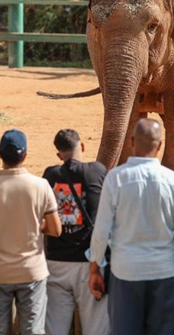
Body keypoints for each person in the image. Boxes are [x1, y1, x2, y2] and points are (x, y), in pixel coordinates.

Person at [88, 118, 174, 335]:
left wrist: (94, 269)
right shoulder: (173, 181)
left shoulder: (115, 179)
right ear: (160, 145)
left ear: (131, 142)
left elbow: (100, 232)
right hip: (163, 272)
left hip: (125, 272)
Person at [0, 129, 62, 335]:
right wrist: (38, 225)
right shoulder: (41, 186)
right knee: (33, 331)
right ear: (25, 155)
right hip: (32, 271)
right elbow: (56, 229)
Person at [41, 129, 109, 335]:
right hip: (90, 262)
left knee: (54, 330)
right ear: (83, 146)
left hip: (56, 262)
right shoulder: (97, 171)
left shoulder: (50, 175)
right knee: (96, 329)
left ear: (59, 155)